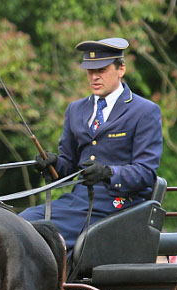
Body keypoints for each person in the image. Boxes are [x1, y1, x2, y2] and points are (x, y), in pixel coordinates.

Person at [21, 37, 163, 252]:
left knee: (43, 235)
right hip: (78, 202)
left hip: (120, 206)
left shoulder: (144, 111)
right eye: (90, 71)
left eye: (102, 70)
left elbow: (146, 173)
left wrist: (108, 173)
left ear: (120, 69)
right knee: (22, 224)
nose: (94, 77)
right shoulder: (75, 110)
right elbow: (68, 166)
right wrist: (51, 163)